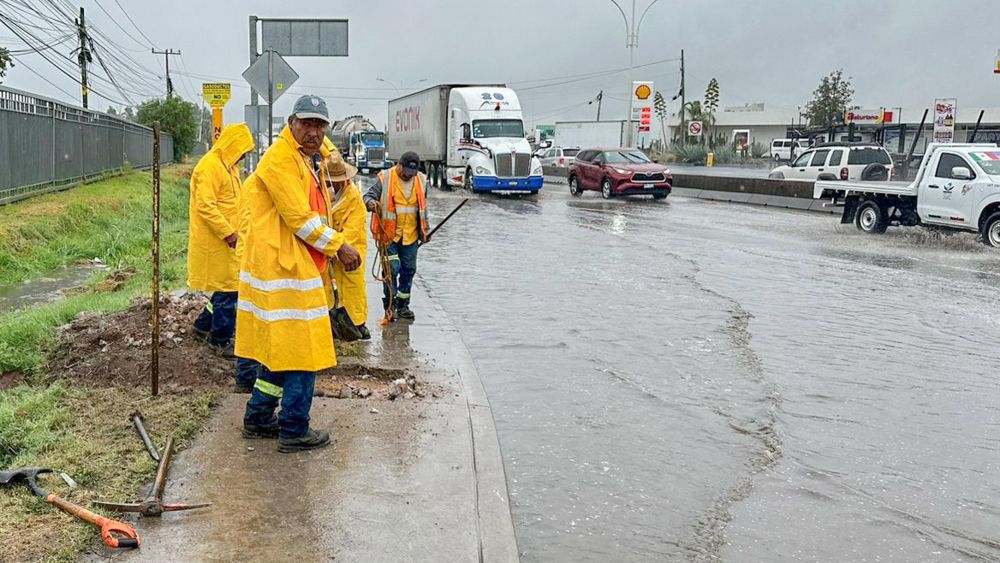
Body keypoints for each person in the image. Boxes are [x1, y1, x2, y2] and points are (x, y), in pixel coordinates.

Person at [236, 95, 362, 453]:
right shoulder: (281, 159)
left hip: (290, 265)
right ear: (291, 122)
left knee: (281, 350)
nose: (314, 131)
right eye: (307, 123)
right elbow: (299, 218)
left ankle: (258, 417)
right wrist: (339, 246)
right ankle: (293, 427)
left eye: (321, 125)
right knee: (305, 351)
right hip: (285, 269)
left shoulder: (305, 159)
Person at [187, 123, 254, 365]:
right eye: (243, 150)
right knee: (229, 289)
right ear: (232, 145)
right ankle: (220, 340)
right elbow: (205, 205)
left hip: (230, 241)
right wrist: (228, 233)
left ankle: (202, 326)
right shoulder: (210, 166)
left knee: (226, 287)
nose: (245, 155)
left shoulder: (228, 166)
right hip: (219, 241)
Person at [363, 151, 429, 320]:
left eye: (411, 174)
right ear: (398, 165)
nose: (408, 176)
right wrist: (371, 203)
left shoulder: (421, 180)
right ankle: (390, 306)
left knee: (409, 270)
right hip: (388, 236)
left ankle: (403, 305)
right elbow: (367, 196)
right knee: (391, 269)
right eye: (405, 172)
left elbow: (422, 208)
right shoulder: (385, 178)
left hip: (411, 236)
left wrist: (425, 231)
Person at [325, 151, 370, 340]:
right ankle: (332, 324)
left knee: (353, 291)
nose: (333, 184)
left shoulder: (354, 199)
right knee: (328, 293)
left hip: (349, 252)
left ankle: (358, 324)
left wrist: (337, 247)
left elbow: (352, 230)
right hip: (327, 252)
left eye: (337, 180)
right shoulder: (322, 193)